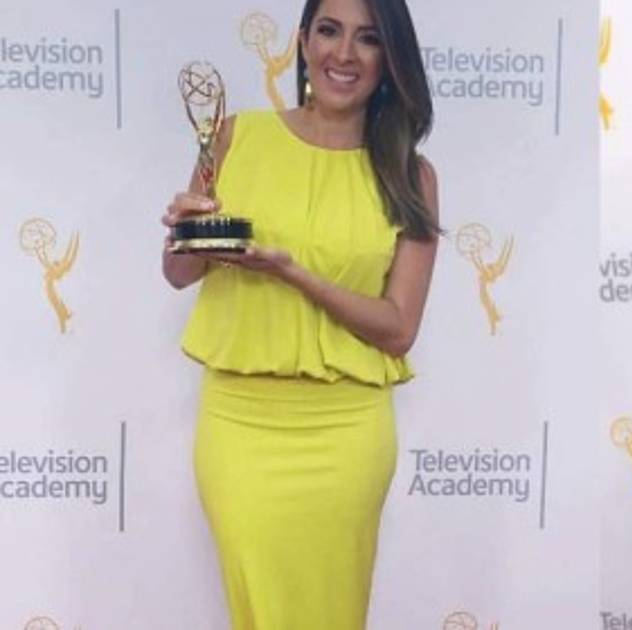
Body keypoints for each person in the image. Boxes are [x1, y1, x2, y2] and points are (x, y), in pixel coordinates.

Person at [160, 0, 438, 627]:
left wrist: (294, 274)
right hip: (240, 423)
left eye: (368, 38)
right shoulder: (234, 136)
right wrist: (184, 232)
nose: (344, 53)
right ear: (304, 42)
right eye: (330, 31)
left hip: (348, 433)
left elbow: (399, 328)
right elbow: (179, 274)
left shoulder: (410, 176)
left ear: (390, 58)